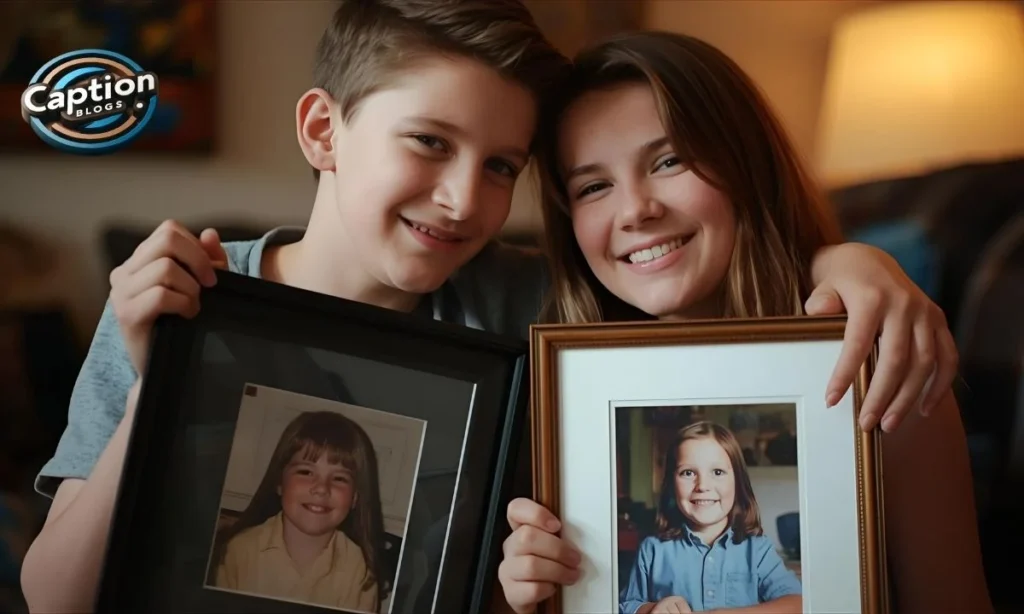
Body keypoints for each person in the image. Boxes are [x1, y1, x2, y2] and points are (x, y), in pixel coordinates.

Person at [21, 2, 960, 611]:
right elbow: (54, 596)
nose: (466, 199)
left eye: (503, 167)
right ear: (322, 129)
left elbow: (699, 296)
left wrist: (857, 258)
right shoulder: (184, 300)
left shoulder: (529, 300)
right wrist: (164, 375)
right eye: (428, 142)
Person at [497, 31, 992, 614]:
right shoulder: (556, 404)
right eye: (594, 186)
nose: (634, 210)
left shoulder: (880, 371)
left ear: (745, 165)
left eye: (669, 160)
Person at [210, 411, 384, 613]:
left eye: (339, 478)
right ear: (280, 482)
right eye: (306, 472)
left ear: (355, 497)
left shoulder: (360, 573)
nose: (321, 488)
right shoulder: (239, 552)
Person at [618, 421, 801, 613]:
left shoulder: (757, 550)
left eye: (717, 472)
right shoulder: (652, 550)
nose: (703, 485)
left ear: (738, 483)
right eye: (688, 473)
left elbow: (798, 603)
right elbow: (626, 606)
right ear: (671, 485)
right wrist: (651, 609)